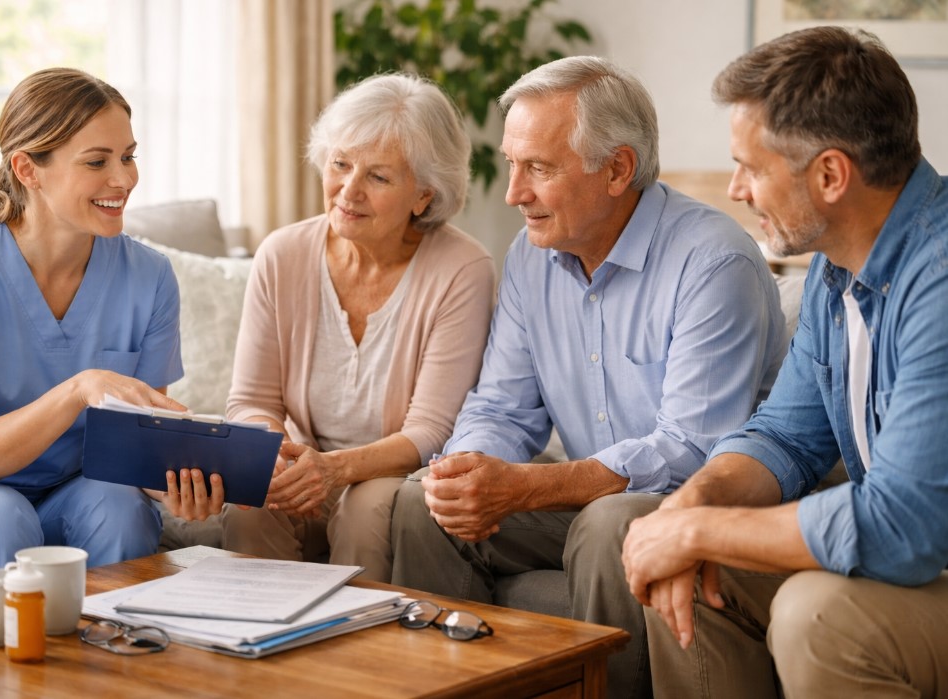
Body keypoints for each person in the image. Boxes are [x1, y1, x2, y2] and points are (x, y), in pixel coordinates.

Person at [389, 55, 789, 698]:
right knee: (422, 503)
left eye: (538, 169)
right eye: (513, 165)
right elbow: (502, 406)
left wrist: (526, 487)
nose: (514, 192)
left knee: (613, 522)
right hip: (589, 497)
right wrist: (469, 470)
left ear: (618, 169)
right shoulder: (531, 255)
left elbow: (694, 447)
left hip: (694, 499)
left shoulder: (713, 261)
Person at [621, 26, 948, 698]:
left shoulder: (939, 281)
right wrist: (692, 503)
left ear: (830, 174)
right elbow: (785, 436)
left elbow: (902, 527)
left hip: (931, 559)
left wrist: (701, 527)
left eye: (751, 166)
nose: (736, 188)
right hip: (918, 560)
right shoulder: (837, 268)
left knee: (815, 619)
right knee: (670, 557)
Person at [0, 67, 202, 588]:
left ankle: (113, 665)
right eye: (97, 162)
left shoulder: (149, 277)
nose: (123, 179)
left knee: (119, 507)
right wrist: (81, 388)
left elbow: (135, 451)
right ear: (28, 169)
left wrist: (175, 483)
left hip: (68, 488)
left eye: (128, 156)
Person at [210, 73, 495, 582]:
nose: (348, 189)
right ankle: (257, 651)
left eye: (379, 177)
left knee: (368, 507)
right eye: (340, 164)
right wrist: (278, 460)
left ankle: (356, 655)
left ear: (424, 196)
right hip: (305, 465)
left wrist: (335, 471)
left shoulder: (463, 270)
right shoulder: (283, 254)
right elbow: (251, 400)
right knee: (253, 501)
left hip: (396, 477)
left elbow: (430, 431)